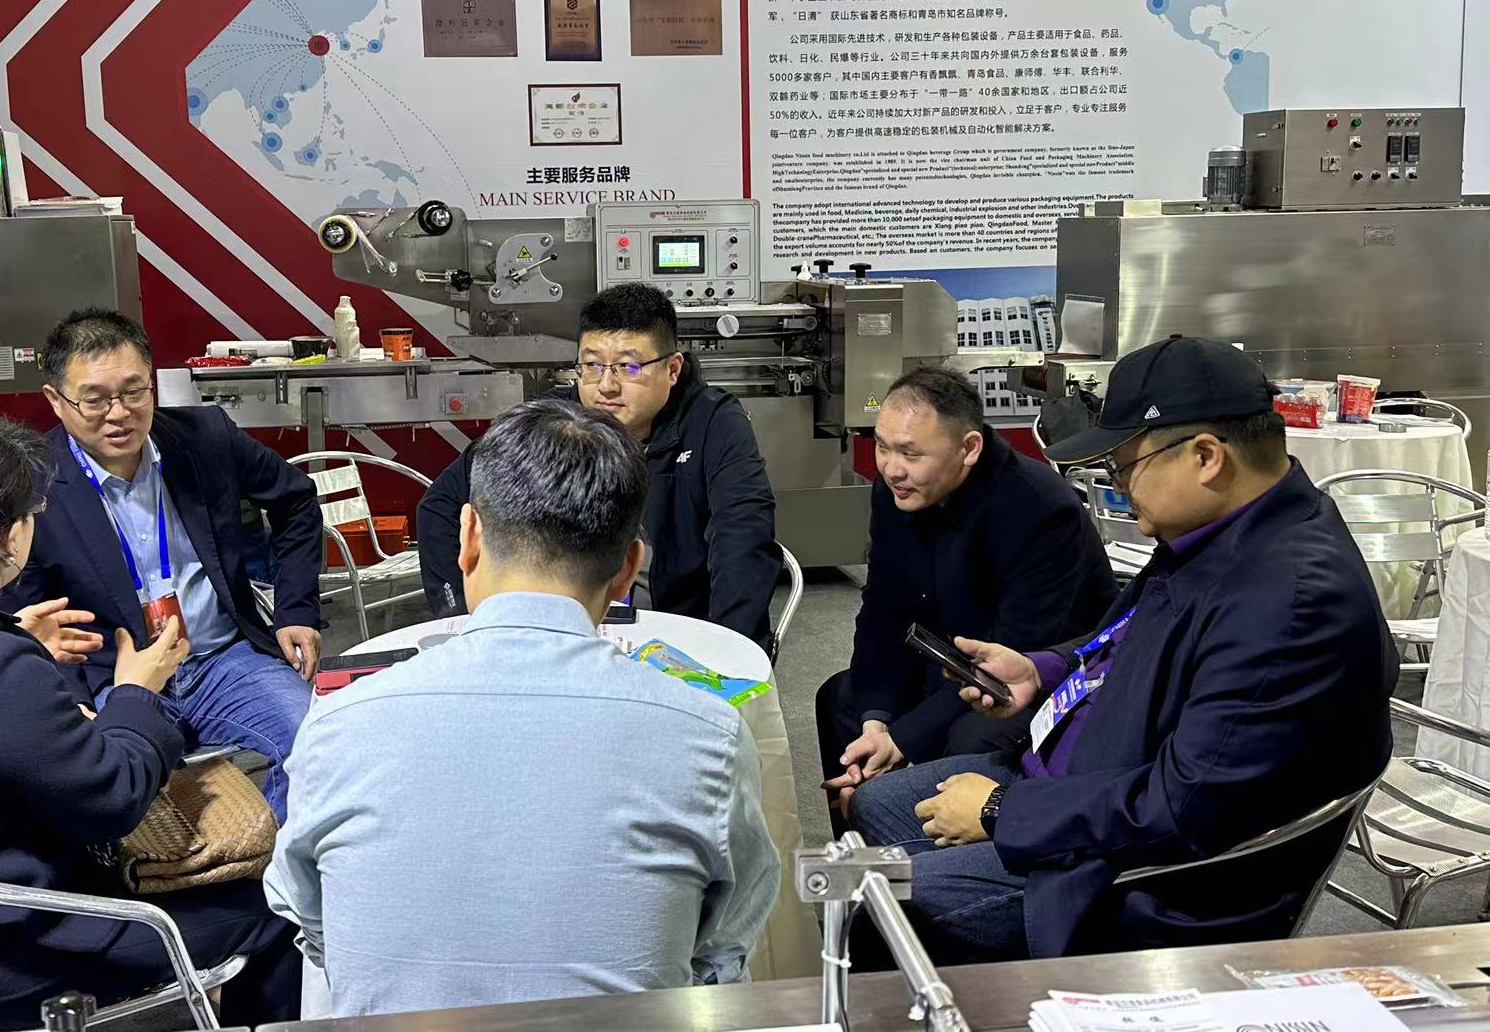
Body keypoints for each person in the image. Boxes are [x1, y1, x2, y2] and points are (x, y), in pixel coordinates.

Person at [847, 338, 1399, 962]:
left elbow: (1181, 807)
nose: (1119, 487)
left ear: (1206, 457)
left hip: (1131, 874)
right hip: (1083, 774)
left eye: (1124, 466)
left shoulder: (1289, 602)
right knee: (878, 807)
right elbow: (1128, 634)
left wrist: (1001, 810)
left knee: (874, 899)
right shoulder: (1222, 529)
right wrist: (1043, 670)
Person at [266, 399, 780, 1017]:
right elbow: (724, 943)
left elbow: (307, 914)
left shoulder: (337, 724)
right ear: (629, 569)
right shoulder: (709, 736)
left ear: (468, 538)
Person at [0, 415, 301, 1029]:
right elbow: (113, 802)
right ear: (9, 536)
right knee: (277, 905)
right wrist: (135, 692)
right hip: (17, 948)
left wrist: (11, 638)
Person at [0, 308, 322, 820]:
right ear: (55, 401)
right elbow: (26, 610)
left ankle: (276, 866)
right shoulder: (31, 485)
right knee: (101, 787)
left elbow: (297, 501)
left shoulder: (205, 437)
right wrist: (70, 698)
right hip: (116, 676)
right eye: (94, 399)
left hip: (221, 659)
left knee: (318, 741)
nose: (119, 413)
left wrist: (297, 609)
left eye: (134, 392)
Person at [818, 366, 1117, 821]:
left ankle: (936, 857)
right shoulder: (898, 490)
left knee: (969, 739)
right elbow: (883, 606)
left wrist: (902, 740)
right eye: (882, 447)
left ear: (969, 448)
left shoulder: (1039, 509)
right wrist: (876, 722)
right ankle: (865, 853)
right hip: (948, 659)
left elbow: (1017, 650)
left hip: (1034, 678)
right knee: (843, 700)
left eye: (911, 453)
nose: (892, 468)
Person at [417, 283, 782, 649]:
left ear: (672, 369)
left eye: (629, 366)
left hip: (676, 631)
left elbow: (743, 536)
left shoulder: (712, 422)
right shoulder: (555, 419)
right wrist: (465, 620)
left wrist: (727, 647)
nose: (606, 386)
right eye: (592, 365)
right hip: (562, 634)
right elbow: (440, 507)